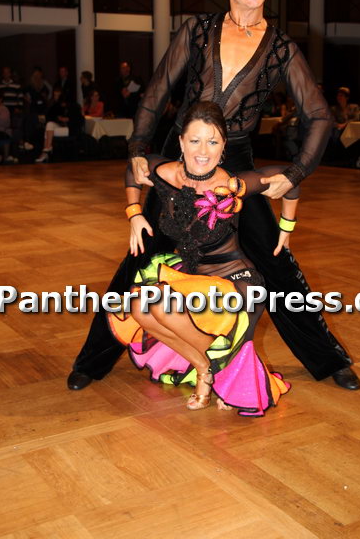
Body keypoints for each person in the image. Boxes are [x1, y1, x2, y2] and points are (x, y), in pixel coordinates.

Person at [68, 0, 360, 393]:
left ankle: (328, 360)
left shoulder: (281, 48)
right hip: (181, 153)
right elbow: (157, 91)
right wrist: (139, 148)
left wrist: (296, 172)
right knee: (141, 254)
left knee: (276, 260)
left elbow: (320, 116)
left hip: (236, 161)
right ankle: (92, 360)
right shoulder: (198, 30)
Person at [111, 102, 296, 415]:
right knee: (138, 306)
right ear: (181, 142)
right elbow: (133, 167)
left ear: (223, 147)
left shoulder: (232, 185)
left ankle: (213, 373)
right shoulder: (164, 173)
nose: (203, 151)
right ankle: (205, 366)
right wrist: (134, 213)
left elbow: (290, 181)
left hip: (235, 283)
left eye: (212, 142)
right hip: (192, 278)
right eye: (195, 140)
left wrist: (286, 228)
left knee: (158, 303)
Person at [35, 89, 84, 162]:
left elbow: (79, 120)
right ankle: (47, 148)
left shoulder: (75, 107)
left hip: (70, 129)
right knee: (49, 125)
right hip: (61, 126)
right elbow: (50, 116)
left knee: (48, 132)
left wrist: (68, 119)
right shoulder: (57, 105)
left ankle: (45, 151)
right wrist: (58, 118)